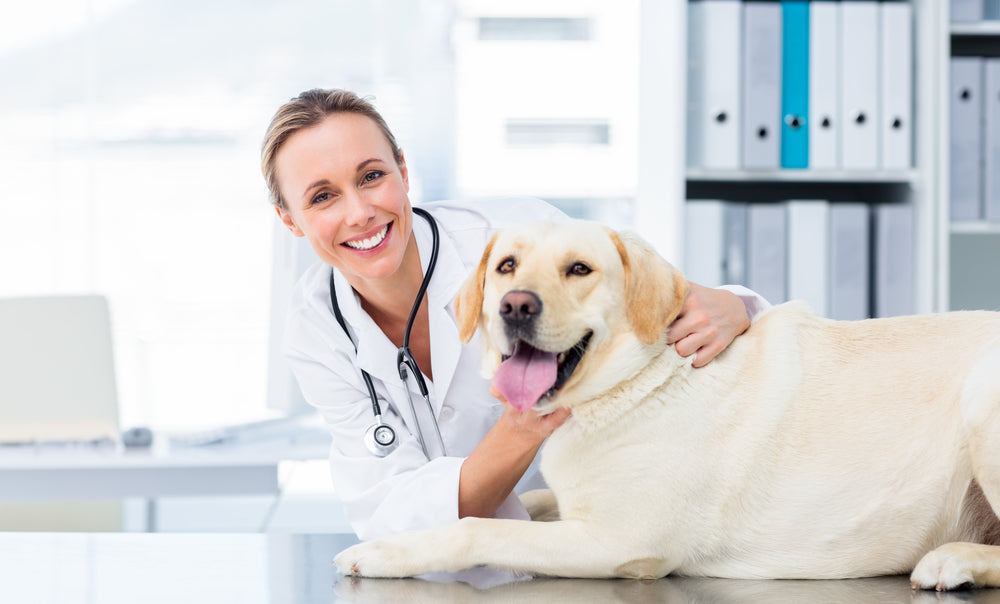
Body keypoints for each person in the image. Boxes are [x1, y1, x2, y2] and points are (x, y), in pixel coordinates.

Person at [261, 89, 769, 540]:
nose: (359, 213)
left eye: (371, 176)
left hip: (603, 535)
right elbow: (388, 512)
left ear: (403, 171)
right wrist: (523, 427)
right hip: (460, 572)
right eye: (322, 196)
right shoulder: (316, 331)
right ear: (290, 220)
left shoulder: (517, 238)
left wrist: (737, 307)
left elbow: (653, 312)